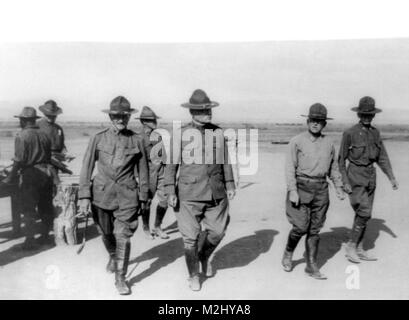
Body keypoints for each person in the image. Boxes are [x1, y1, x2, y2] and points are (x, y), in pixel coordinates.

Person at [164, 89, 236, 291]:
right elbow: (170, 166)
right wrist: (170, 191)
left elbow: (225, 161)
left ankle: (204, 256)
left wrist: (229, 184)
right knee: (190, 237)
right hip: (189, 194)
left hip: (215, 192)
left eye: (209, 110)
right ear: (193, 113)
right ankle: (193, 276)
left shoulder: (218, 133)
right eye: (203, 111)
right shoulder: (181, 135)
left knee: (218, 231)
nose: (208, 114)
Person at [78, 96, 149, 295]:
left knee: (123, 236)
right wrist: (84, 196)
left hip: (127, 196)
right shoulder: (98, 138)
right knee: (106, 233)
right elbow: (86, 166)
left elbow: (143, 171)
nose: (120, 119)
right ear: (110, 116)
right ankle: (112, 254)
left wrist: (144, 196)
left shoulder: (137, 140)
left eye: (124, 116)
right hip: (101, 195)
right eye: (117, 116)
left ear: (129, 117)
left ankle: (121, 277)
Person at [282, 103, 345, 280]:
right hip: (301, 187)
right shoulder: (297, 141)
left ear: (324, 123)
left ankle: (311, 265)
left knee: (315, 230)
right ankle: (288, 253)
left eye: (320, 121)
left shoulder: (329, 143)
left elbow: (333, 168)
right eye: (313, 120)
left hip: (321, 189)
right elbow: (289, 168)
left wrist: (338, 187)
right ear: (307, 121)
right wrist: (292, 190)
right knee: (301, 226)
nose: (316, 124)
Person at [338, 96, 398, 263]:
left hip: (371, 177)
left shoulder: (375, 133)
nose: (367, 117)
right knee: (364, 212)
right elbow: (341, 160)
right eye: (364, 114)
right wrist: (344, 181)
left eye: (370, 114)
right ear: (359, 114)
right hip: (355, 176)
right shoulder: (349, 133)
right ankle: (351, 245)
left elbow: (382, 157)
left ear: (373, 115)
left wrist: (391, 177)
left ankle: (359, 248)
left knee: (365, 214)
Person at [3, 107, 54, 249]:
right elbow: (49, 158)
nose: (19, 121)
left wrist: (10, 177)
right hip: (46, 173)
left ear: (24, 120)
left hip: (31, 174)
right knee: (45, 207)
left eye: (20, 119)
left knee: (28, 208)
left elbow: (19, 160)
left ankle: (30, 240)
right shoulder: (44, 135)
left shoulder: (22, 135)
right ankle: (45, 236)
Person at [135, 106, 169, 240]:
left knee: (164, 200)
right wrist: (138, 176)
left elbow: (164, 154)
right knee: (146, 202)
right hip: (147, 172)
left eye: (154, 119)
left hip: (161, 170)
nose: (154, 121)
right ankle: (146, 228)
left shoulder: (158, 135)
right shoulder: (139, 138)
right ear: (144, 122)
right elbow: (136, 160)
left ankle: (158, 226)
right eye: (151, 120)